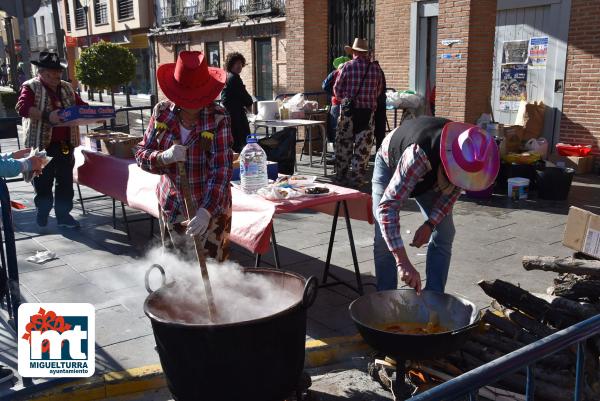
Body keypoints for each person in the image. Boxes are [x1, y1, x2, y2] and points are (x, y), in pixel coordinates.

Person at [373, 116, 499, 293]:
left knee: (444, 232)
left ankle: (434, 298)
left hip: (430, 173)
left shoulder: (472, 153)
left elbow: (452, 192)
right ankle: (386, 300)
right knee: (382, 238)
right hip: (391, 161)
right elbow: (387, 209)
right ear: (449, 162)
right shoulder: (419, 155)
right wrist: (403, 262)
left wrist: (430, 224)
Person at [136, 51, 233, 261]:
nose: (194, 105)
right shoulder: (161, 112)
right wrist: (163, 157)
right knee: (178, 270)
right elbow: (141, 155)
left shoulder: (218, 117)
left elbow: (222, 169)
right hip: (174, 203)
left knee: (214, 270)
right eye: (187, 99)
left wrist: (206, 211)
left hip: (212, 205)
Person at [15, 51, 87, 228]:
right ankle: (43, 210)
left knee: (65, 182)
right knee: (43, 182)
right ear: (41, 72)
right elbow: (22, 108)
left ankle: (63, 216)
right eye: (52, 72)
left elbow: (80, 106)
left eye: (58, 71)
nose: (57, 75)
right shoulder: (30, 86)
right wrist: (47, 116)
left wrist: (93, 113)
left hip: (65, 144)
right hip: (41, 145)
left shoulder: (67, 87)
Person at [333, 38, 383, 188]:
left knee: (344, 143)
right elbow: (379, 91)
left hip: (349, 112)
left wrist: (345, 99)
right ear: (366, 53)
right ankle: (356, 178)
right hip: (367, 113)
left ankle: (341, 177)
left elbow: (337, 89)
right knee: (363, 147)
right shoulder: (376, 69)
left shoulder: (347, 66)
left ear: (354, 52)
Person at [221, 52, 253, 153]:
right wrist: (248, 103)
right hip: (236, 116)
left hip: (232, 115)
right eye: (236, 63)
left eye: (240, 63)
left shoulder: (229, 76)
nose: (239, 66)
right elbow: (244, 96)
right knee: (241, 143)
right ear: (231, 65)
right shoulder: (233, 78)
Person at [322, 56, 350, 164]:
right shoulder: (350, 73)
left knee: (335, 130)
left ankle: (336, 155)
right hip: (348, 104)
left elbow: (324, 86)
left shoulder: (335, 73)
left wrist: (334, 94)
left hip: (336, 104)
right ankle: (345, 155)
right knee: (346, 130)